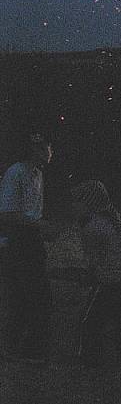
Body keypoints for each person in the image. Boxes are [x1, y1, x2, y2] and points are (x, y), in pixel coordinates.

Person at [71, 180, 121, 368]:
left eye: (76, 202)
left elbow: (100, 261)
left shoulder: (94, 226)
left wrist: (95, 278)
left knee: (89, 321)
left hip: (115, 281)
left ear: (89, 204)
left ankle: (91, 362)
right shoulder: (116, 220)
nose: (72, 206)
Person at [0, 133, 53, 362]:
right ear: (36, 150)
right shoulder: (17, 172)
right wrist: (39, 225)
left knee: (32, 295)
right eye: (48, 148)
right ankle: (23, 349)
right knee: (28, 295)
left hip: (32, 237)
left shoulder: (37, 173)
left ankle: (20, 346)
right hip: (20, 240)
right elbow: (8, 213)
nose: (51, 152)